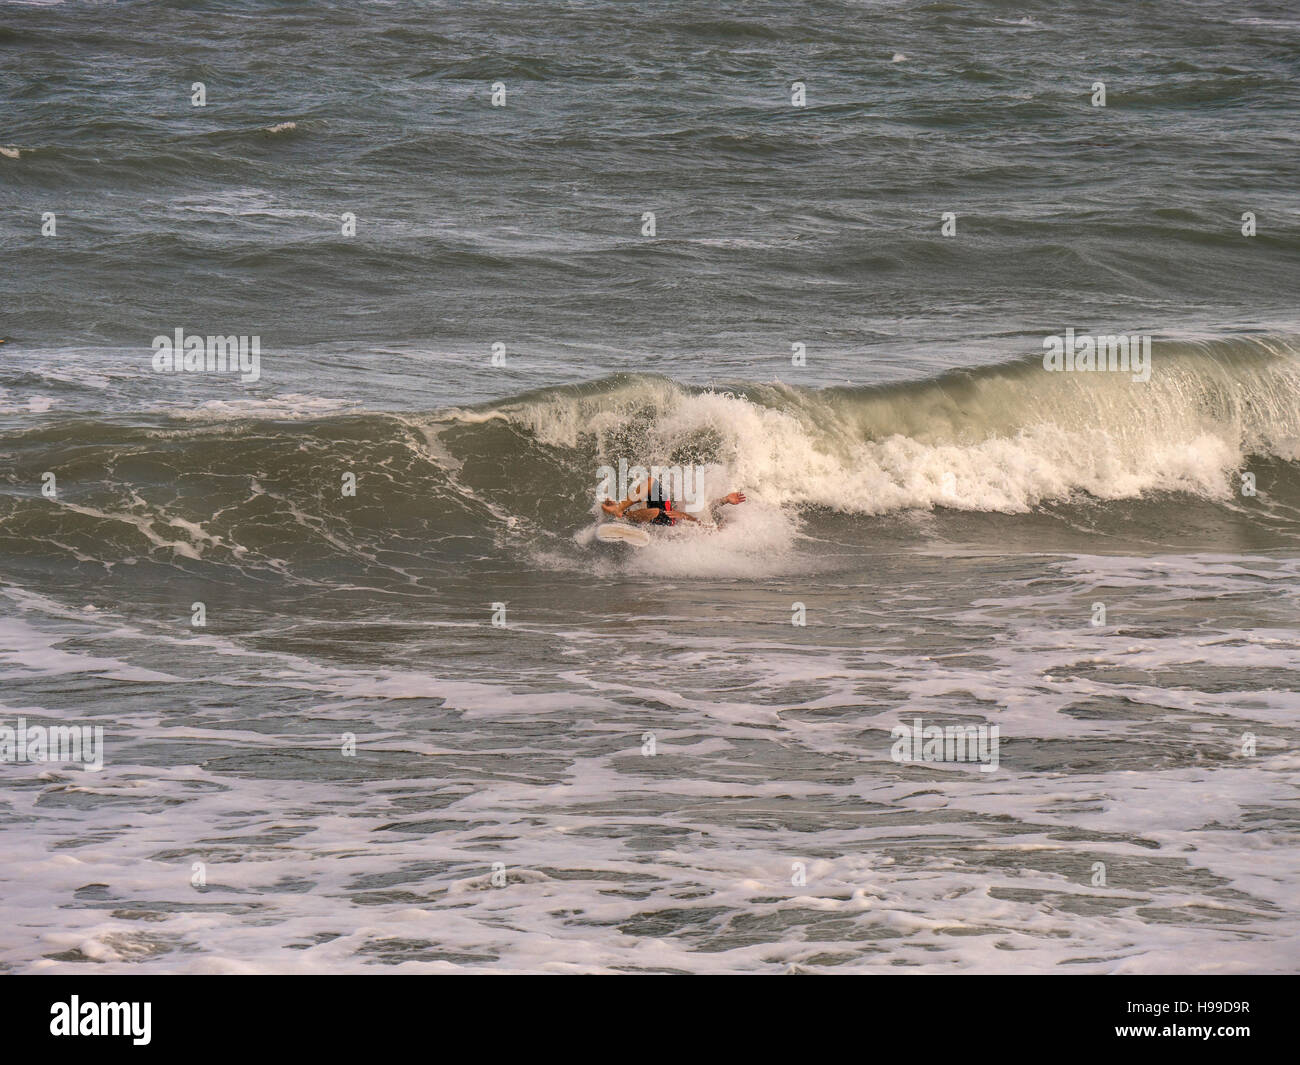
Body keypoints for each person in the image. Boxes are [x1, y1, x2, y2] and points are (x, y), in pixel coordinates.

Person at [601, 474, 746, 527]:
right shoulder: (710, 516)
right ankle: (619, 508)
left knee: (656, 511)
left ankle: (624, 515)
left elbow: (701, 526)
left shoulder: (716, 534)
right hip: (670, 512)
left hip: (671, 523)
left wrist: (683, 516)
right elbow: (709, 507)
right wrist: (726, 499)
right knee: (651, 482)